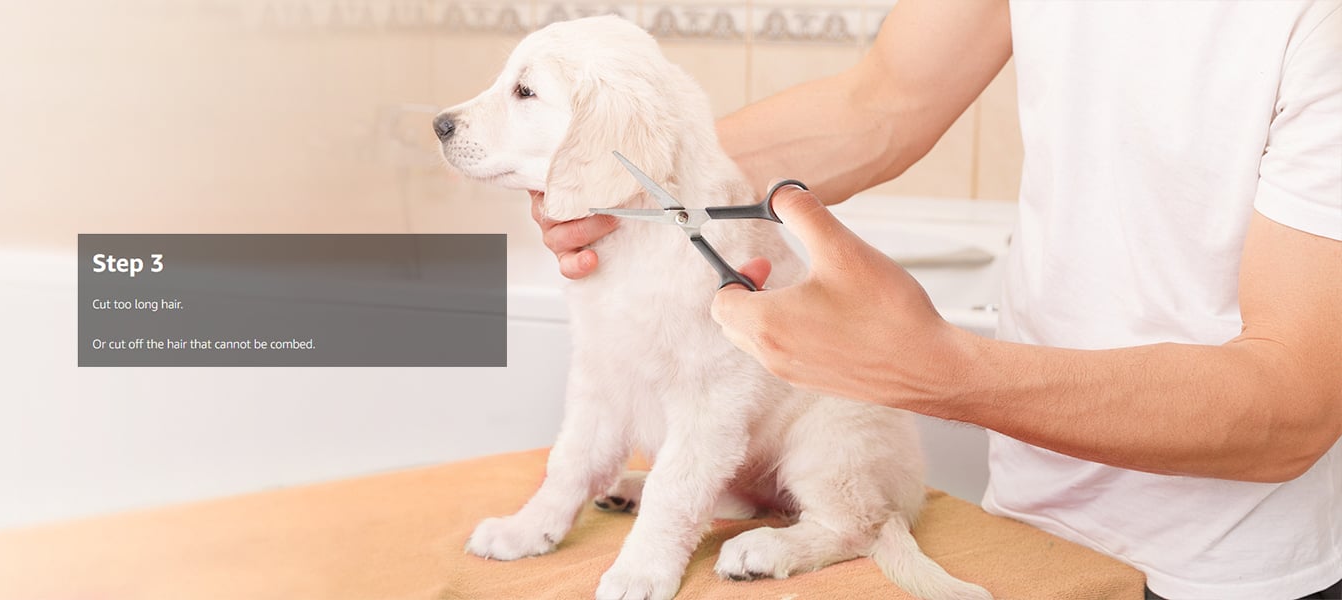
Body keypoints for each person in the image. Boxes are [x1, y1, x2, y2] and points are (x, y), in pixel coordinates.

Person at [529, 1, 1342, 598]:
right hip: (1028, 517)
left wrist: (939, 370)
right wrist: (650, 181)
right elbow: (886, 101)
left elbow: (1293, 411)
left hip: (1225, 566)